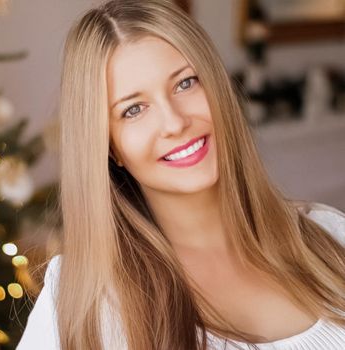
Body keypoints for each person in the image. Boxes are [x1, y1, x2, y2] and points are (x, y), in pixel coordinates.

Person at [17, 0, 345, 349]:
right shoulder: (85, 298)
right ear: (108, 146)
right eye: (133, 110)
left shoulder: (328, 234)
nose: (175, 123)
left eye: (186, 83)